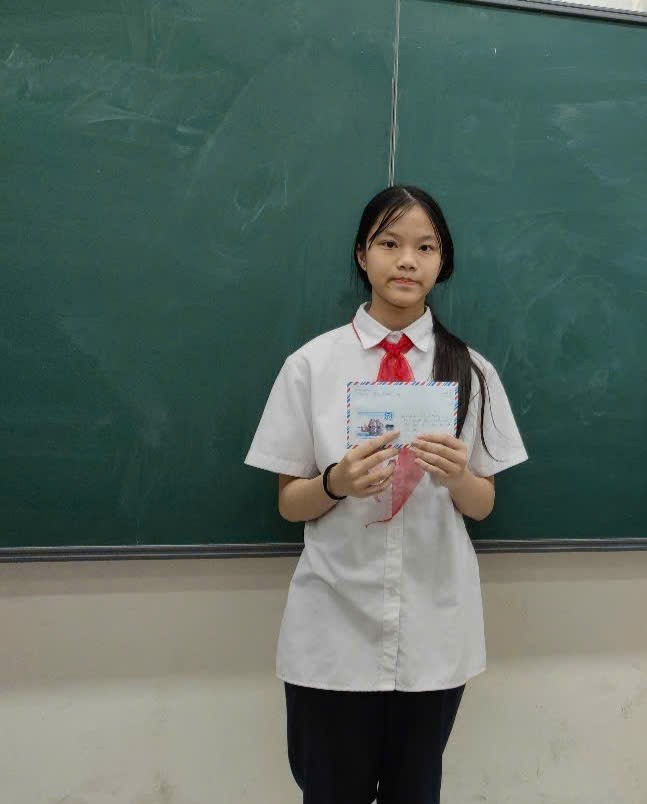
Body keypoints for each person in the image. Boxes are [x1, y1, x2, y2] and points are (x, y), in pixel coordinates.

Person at [244, 185, 528, 804]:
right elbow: (289, 502)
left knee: (415, 793)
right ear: (362, 254)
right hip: (334, 626)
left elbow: (483, 503)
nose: (406, 261)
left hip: (432, 626)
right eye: (389, 243)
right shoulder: (311, 366)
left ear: (442, 262)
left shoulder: (471, 370)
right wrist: (334, 483)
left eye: (426, 248)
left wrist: (457, 476)